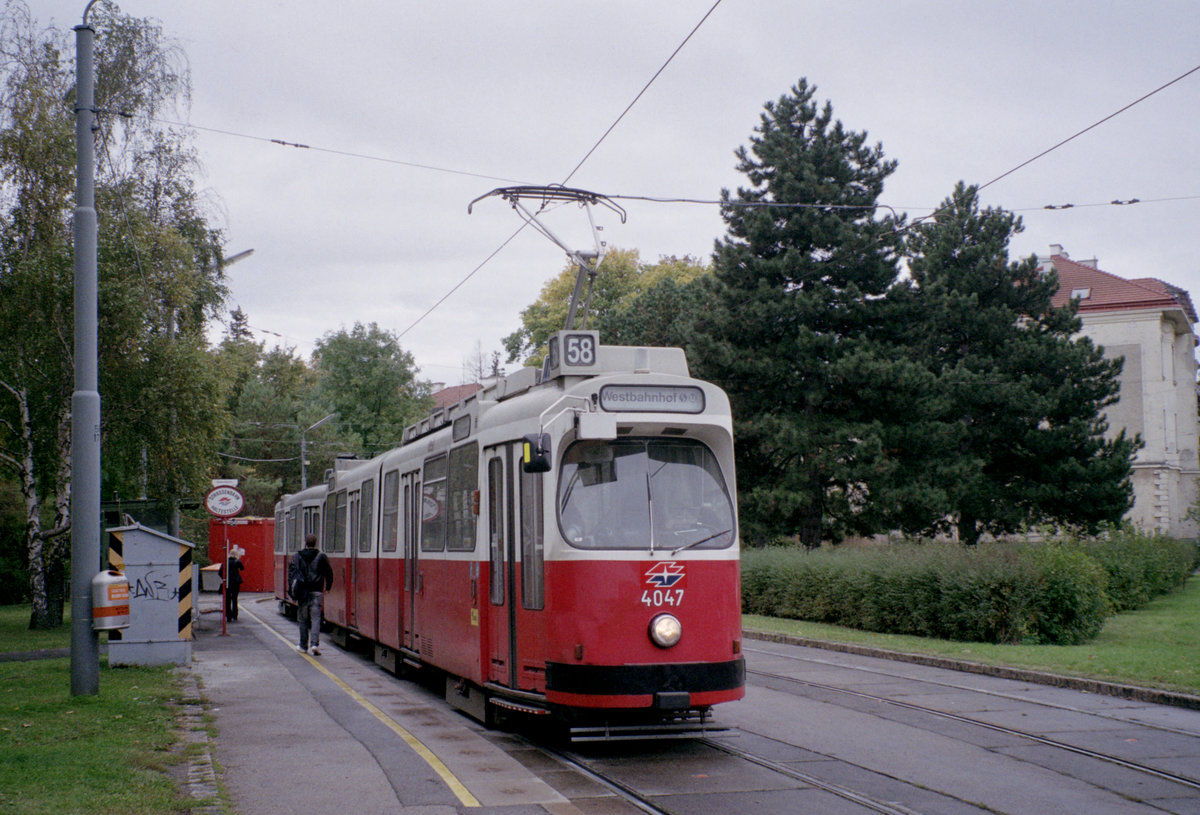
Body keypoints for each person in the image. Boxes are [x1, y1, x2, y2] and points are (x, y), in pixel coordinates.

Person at [291, 533, 333, 655]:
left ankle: (303, 646)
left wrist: (292, 594)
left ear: (305, 543)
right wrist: (328, 586)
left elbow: (292, 575)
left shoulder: (298, 556)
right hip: (317, 591)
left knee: (303, 620)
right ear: (315, 543)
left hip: (303, 592)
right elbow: (329, 573)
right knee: (316, 619)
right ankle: (314, 644)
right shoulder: (321, 556)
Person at [220, 546, 245, 621]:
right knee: (235, 598)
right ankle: (235, 615)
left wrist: (224, 578)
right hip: (236, 583)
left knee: (227, 599)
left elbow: (220, 572)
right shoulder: (237, 562)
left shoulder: (225, 562)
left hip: (228, 582)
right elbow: (242, 568)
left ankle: (228, 616)